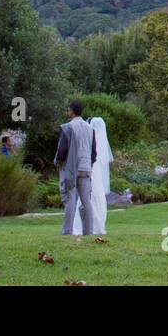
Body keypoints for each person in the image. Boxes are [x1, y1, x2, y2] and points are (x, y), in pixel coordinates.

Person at [54, 100, 97, 235]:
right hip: (86, 167)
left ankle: (67, 230)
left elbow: (62, 149)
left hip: (71, 167)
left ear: (72, 111)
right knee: (86, 201)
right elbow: (93, 151)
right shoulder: (90, 128)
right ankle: (88, 231)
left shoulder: (68, 127)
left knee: (70, 200)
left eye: (68, 110)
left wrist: (58, 162)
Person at [72, 117, 113, 234]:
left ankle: (84, 225)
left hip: (89, 174)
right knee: (96, 199)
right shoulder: (102, 145)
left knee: (86, 198)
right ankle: (98, 225)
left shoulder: (89, 140)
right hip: (97, 179)